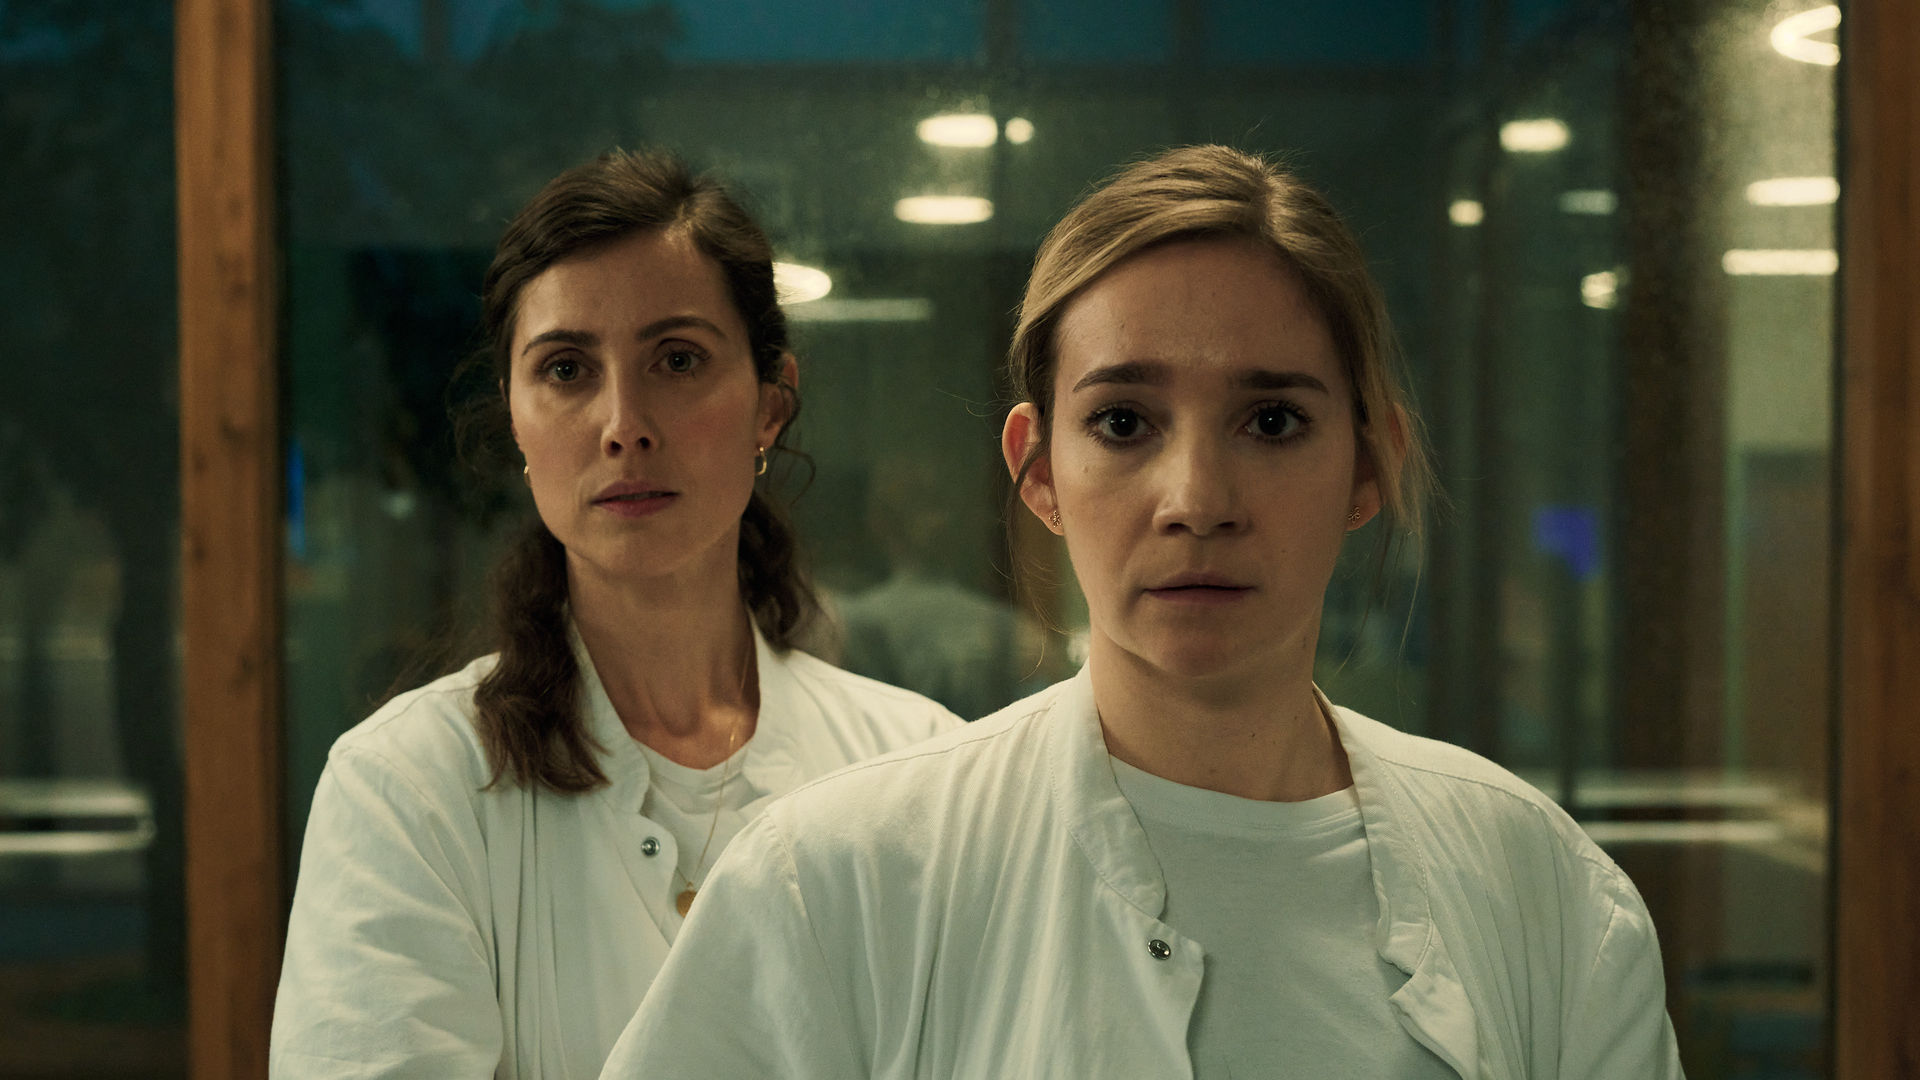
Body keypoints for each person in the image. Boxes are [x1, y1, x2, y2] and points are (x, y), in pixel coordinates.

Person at [599, 145, 1685, 1079]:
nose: (1197, 500)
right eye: (1124, 422)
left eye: (1271, 421)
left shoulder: (1545, 894)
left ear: (1370, 465)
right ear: (1038, 471)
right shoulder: (836, 881)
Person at [268, 150, 961, 1079]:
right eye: (566, 369)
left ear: (770, 404)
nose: (623, 423)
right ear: (515, 419)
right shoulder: (407, 790)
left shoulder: (921, 772)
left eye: (677, 360)